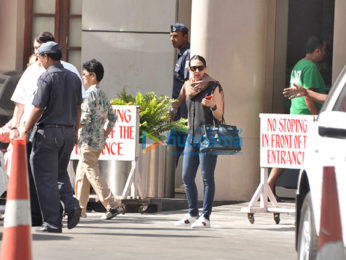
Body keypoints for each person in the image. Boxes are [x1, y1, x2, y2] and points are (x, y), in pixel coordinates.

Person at [9, 31, 86, 227]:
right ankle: (71, 204)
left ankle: (52, 222)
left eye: (39, 57)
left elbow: (37, 107)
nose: (38, 61)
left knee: (44, 178)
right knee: (60, 174)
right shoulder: (74, 77)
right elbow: (78, 107)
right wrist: (76, 131)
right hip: (68, 132)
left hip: (47, 133)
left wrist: (26, 130)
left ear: (45, 57)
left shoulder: (46, 77)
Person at [268, 36, 327, 192]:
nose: (324, 54)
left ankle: (269, 184)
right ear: (317, 50)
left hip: (296, 113)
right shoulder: (311, 67)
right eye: (324, 50)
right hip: (307, 116)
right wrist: (316, 117)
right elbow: (308, 94)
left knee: (288, 152)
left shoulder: (299, 64)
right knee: (308, 153)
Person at [173, 55, 224, 228]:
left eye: (200, 68)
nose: (197, 71)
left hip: (208, 136)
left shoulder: (213, 86)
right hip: (191, 137)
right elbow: (178, 103)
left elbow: (220, 115)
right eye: (193, 68)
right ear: (189, 69)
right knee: (186, 176)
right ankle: (193, 213)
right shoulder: (187, 86)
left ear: (205, 68)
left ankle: (206, 216)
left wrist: (212, 106)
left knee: (207, 177)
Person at [74, 59, 124, 220]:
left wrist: (73, 127)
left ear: (93, 76)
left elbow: (85, 118)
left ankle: (112, 204)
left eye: (85, 74)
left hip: (87, 141)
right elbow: (113, 118)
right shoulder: (102, 94)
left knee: (91, 173)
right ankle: (79, 210)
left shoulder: (89, 94)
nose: (83, 77)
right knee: (81, 175)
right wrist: (104, 134)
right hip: (97, 142)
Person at [168, 23, 190, 164]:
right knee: (173, 151)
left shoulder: (188, 55)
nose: (172, 39)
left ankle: (167, 185)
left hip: (182, 113)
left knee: (173, 151)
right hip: (179, 112)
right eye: (171, 36)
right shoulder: (182, 54)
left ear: (185, 37)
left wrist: (175, 107)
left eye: (176, 36)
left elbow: (187, 85)